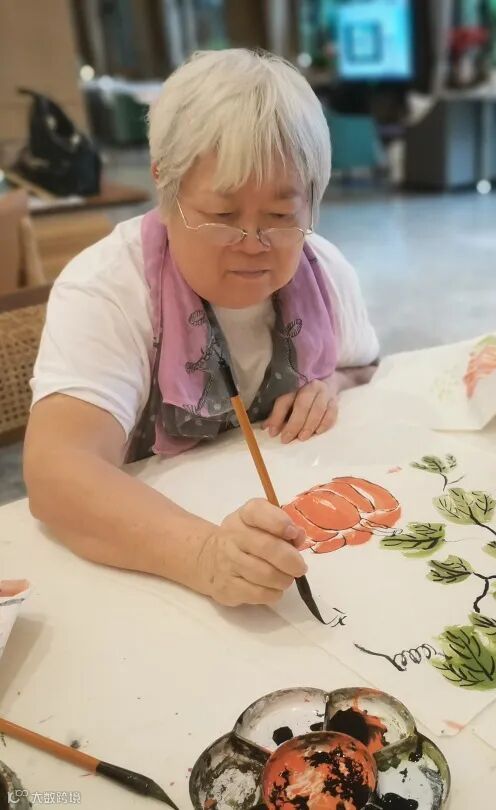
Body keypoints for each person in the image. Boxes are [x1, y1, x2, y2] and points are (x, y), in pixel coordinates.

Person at [24, 49, 379, 608]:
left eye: (282, 216)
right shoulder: (109, 287)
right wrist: (204, 555)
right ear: (164, 186)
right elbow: (57, 472)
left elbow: (366, 365)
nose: (254, 245)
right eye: (222, 215)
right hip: (144, 573)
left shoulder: (324, 271)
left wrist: (331, 383)